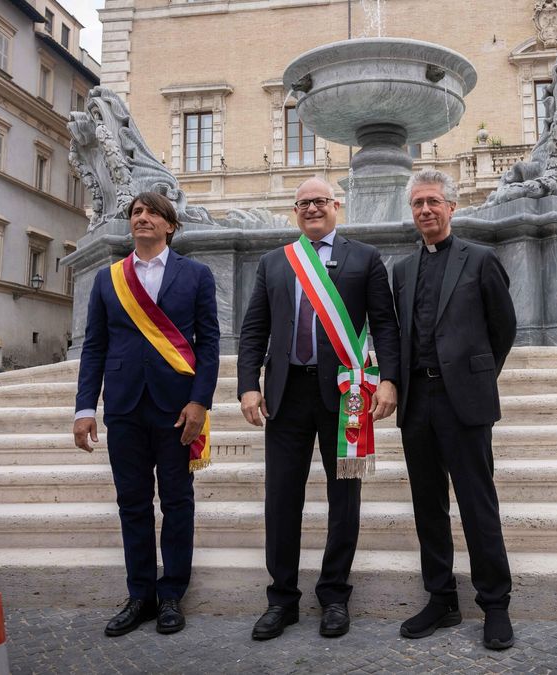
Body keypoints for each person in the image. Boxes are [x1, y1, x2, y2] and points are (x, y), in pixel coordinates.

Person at [237, 177, 400, 641]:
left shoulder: (365, 258)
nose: (312, 208)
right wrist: (248, 386)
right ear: (295, 210)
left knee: (344, 497)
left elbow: (385, 325)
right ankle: (281, 599)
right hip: (286, 398)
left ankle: (333, 595)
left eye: (320, 201)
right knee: (281, 499)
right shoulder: (274, 263)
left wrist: (388, 380)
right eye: (304, 203)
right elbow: (254, 331)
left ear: (336, 205)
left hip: (345, 397)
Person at [74, 191, 220, 638]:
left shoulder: (196, 275)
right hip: (123, 406)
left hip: (177, 408)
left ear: (170, 225)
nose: (142, 218)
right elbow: (94, 345)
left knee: (177, 502)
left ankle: (172, 593)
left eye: (152, 212)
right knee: (132, 504)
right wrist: (85, 407)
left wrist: (200, 402)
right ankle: (140, 595)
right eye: (136, 212)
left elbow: (209, 344)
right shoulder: (108, 279)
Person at [391, 169, 517, 650]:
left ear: (451, 207)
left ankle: (496, 604)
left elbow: (503, 328)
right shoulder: (401, 270)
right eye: (418, 203)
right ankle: (441, 598)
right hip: (416, 402)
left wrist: (476, 377)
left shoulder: (481, 260)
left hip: (463, 400)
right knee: (428, 505)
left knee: (477, 503)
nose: (425, 210)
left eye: (433, 202)